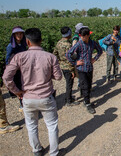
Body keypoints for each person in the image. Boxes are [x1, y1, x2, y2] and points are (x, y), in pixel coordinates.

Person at [2, 28, 62, 156]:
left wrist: (16, 91)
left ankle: (37, 150)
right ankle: (54, 152)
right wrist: (47, 74)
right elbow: (58, 77)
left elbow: (6, 77)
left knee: (31, 126)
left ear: (27, 41)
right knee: (51, 126)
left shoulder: (19, 57)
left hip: (27, 98)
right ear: (41, 40)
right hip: (46, 96)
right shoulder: (50, 57)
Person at [66, 27, 102, 114]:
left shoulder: (92, 43)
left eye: (83, 36)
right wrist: (75, 62)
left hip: (89, 68)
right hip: (81, 69)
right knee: (85, 86)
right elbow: (68, 54)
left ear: (87, 36)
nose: (81, 37)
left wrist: (94, 59)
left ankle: (86, 99)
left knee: (89, 85)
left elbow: (100, 51)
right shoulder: (79, 44)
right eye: (80, 36)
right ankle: (87, 103)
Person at [53, 27, 79, 106]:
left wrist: (60, 62)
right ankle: (69, 101)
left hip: (63, 66)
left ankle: (68, 97)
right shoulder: (68, 45)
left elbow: (54, 54)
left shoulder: (59, 43)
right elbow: (70, 58)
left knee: (68, 83)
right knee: (69, 84)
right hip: (68, 67)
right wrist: (72, 70)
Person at [5, 26, 27, 112]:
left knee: (24, 85)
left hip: (23, 68)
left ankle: (25, 102)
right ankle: (22, 104)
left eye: (21, 34)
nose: (19, 35)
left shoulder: (23, 44)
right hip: (16, 70)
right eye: (17, 34)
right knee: (19, 86)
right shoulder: (11, 46)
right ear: (13, 35)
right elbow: (7, 59)